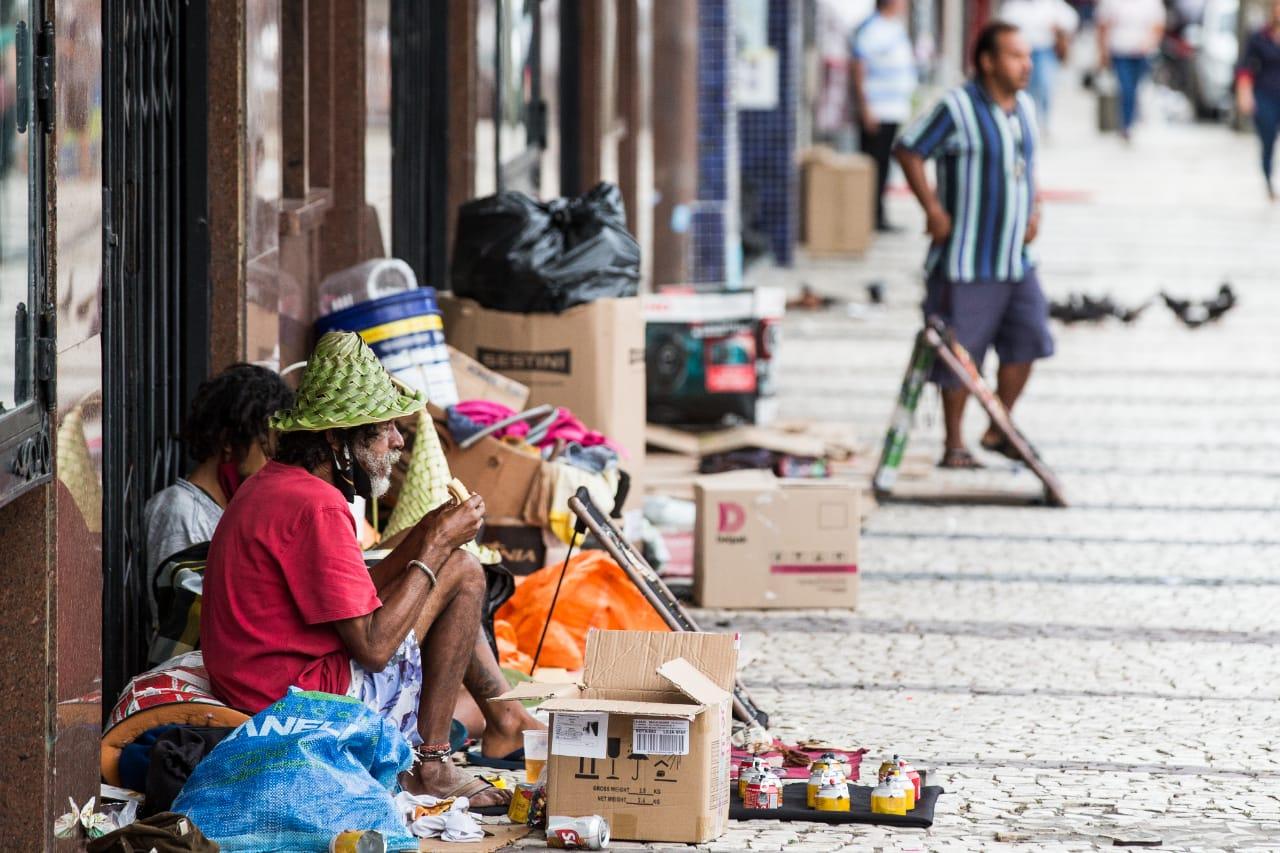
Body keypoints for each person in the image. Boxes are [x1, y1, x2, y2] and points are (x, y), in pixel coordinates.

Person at [200, 332, 539, 806]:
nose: (398, 442)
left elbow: (354, 595)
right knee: (464, 570)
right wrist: (439, 544)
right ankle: (434, 765)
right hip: (293, 698)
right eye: (385, 431)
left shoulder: (275, 485)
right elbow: (375, 647)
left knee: (451, 562)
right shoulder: (317, 505)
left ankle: (475, 736)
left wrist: (424, 533)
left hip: (262, 676)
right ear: (337, 439)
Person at [893, 22, 1055, 469]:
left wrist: (1035, 209)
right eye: (1014, 56)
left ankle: (997, 427)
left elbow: (1027, 166)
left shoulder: (1024, 108)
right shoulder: (956, 107)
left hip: (1015, 259)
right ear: (987, 61)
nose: (1025, 65)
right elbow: (908, 148)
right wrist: (932, 209)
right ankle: (954, 444)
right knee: (961, 354)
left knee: (1030, 339)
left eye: (1026, 56)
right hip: (966, 260)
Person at [143, 363, 294, 622]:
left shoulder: (230, 509)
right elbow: (190, 617)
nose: (273, 466)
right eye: (266, 452)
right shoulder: (181, 511)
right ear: (228, 441)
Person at [850, 0, 918, 232]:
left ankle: (878, 214)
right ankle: (869, 216)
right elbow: (859, 66)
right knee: (873, 164)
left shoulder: (896, 27)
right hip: (877, 109)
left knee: (884, 165)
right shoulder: (871, 28)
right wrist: (864, 106)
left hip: (894, 107)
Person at [999, 0, 1080, 127]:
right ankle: (1024, 119)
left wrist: (1058, 27)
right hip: (1022, 50)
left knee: (1045, 85)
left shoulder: (1051, 4)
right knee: (1022, 87)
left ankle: (1043, 120)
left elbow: (1071, 19)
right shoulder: (1014, 6)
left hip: (1045, 51)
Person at [1096, 0, 1166, 139]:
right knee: (1126, 88)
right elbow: (1103, 26)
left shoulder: (1151, 4)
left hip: (1142, 54)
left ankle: (1130, 119)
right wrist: (1103, 52)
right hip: (1120, 51)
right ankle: (1126, 124)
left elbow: (1158, 26)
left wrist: (1148, 43)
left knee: (1135, 89)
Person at [1236, 0, 1280, 200]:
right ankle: (1268, 180)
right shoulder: (1258, 37)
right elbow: (1245, 68)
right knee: (1268, 139)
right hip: (1266, 94)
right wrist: (1244, 94)